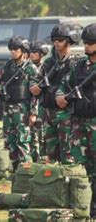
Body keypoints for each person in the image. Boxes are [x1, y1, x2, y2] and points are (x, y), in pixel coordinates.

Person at [56, 23, 96, 218]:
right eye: (86, 43)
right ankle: (85, 204)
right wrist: (61, 96)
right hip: (79, 123)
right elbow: (63, 86)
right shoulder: (79, 65)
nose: (87, 46)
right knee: (83, 166)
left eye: (91, 43)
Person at [30, 25, 80, 163]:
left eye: (60, 39)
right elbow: (36, 80)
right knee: (50, 154)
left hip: (66, 114)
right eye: (54, 40)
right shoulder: (49, 62)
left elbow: (79, 87)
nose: (57, 43)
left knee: (67, 153)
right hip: (48, 112)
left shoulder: (76, 62)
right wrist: (34, 87)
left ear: (68, 41)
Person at [0, 36, 38, 171]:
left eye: (15, 49)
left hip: (23, 109)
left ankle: (26, 171)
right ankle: (15, 169)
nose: (12, 52)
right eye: (11, 49)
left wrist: (33, 113)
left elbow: (35, 93)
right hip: (8, 108)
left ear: (23, 50)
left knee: (22, 140)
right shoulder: (7, 66)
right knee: (9, 139)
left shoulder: (31, 68)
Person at [28, 40, 49, 162]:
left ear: (42, 53)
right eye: (31, 52)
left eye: (35, 52)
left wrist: (34, 112)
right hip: (30, 108)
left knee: (40, 137)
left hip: (41, 108)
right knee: (32, 137)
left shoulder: (46, 67)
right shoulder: (28, 67)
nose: (32, 54)